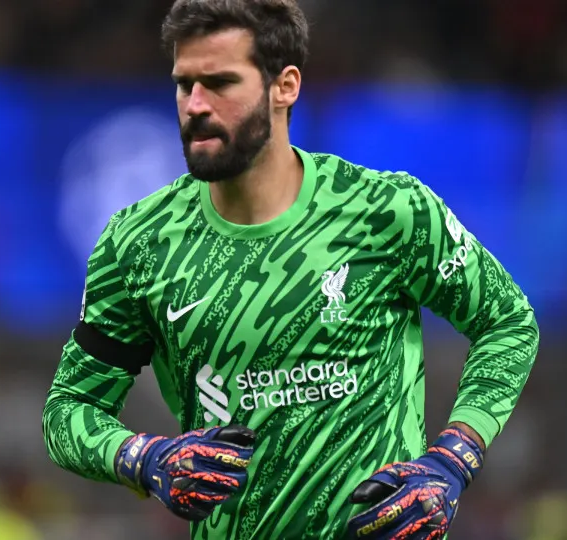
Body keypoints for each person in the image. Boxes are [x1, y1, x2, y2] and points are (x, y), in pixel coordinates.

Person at [42, 0, 540, 538]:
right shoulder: (139, 244)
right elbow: (69, 410)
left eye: (220, 83)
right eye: (185, 85)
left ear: (285, 86)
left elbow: (508, 321)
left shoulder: (387, 212)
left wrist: (454, 457)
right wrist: (144, 457)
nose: (196, 105)